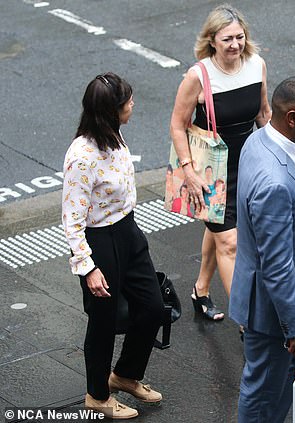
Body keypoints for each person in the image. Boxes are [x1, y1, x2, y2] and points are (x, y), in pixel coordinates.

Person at [62, 73, 164, 419]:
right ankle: (97, 395)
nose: (133, 105)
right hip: (99, 241)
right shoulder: (82, 156)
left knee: (152, 307)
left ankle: (125, 375)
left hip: (127, 231)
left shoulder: (114, 136)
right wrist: (88, 267)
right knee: (103, 321)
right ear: (111, 111)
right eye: (128, 102)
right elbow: (72, 220)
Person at [229, 76, 295, 422]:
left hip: (261, 303)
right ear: (291, 117)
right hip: (275, 316)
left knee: (266, 390)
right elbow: (277, 266)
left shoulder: (258, 142)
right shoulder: (274, 182)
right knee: (264, 399)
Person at [169, 4, 270, 321]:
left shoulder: (256, 65)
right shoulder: (198, 75)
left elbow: (263, 114)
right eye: (227, 39)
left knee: (221, 233)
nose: (235, 45)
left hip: (250, 165)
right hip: (212, 172)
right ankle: (245, 320)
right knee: (230, 242)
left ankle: (200, 290)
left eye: (240, 37)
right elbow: (177, 124)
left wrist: (276, 158)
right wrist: (189, 172)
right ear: (211, 40)